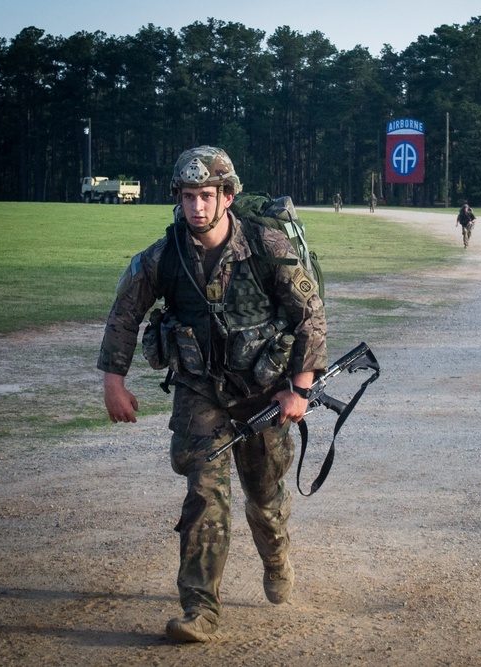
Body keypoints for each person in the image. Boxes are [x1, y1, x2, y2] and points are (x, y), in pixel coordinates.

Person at [97, 146, 327, 643]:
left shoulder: (265, 247)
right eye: (187, 197)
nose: (196, 207)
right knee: (205, 495)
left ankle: (277, 554)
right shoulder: (166, 255)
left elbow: (310, 317)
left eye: (206, 196)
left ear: (227, 196)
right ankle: (200, 609)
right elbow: (124, 313)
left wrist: (300, 389)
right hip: (200, 393)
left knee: (265, 499)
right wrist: (114, 380)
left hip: (265, 393)